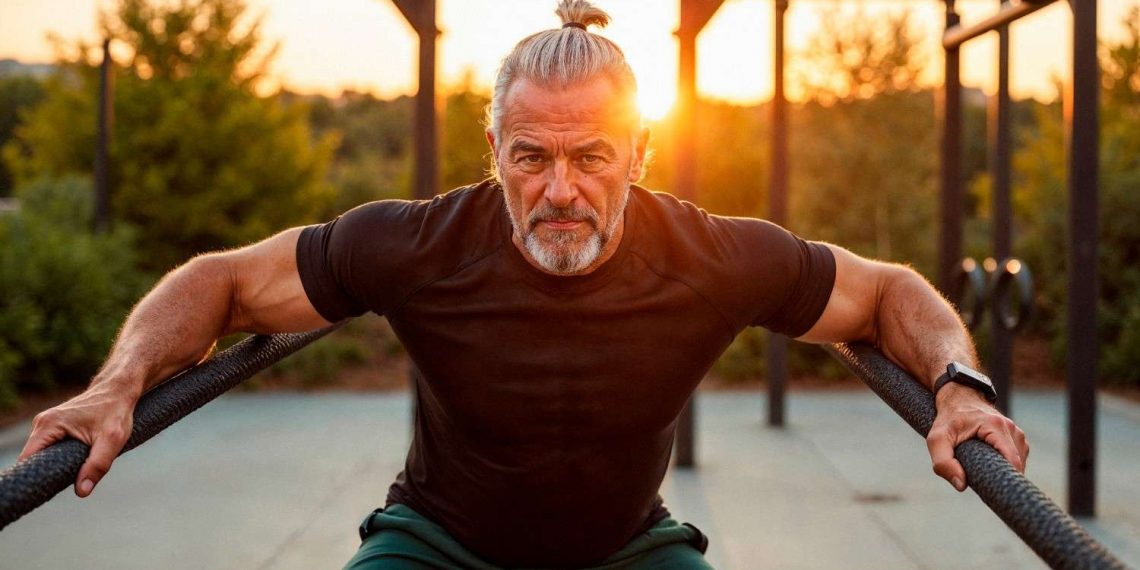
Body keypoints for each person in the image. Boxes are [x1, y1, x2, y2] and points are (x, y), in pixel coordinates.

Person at [18, 1, 1030, 568]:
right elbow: (224, 285)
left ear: (639, 154)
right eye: (530, 157)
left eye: (591, 158)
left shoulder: (711, 256)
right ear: (494, 149)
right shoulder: (417, 244)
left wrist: (958, 385)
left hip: (628, 552)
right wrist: (119, 383)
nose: (559, 191)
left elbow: (887, 293)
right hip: (437, 546)